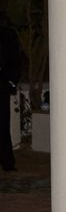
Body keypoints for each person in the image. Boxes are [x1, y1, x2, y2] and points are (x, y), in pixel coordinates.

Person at [0, 23, 21, 172]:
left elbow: (15, 59)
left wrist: (11, 81)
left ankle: (7, 161)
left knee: (2, 124)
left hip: (1, 85)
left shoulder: (7, 33)